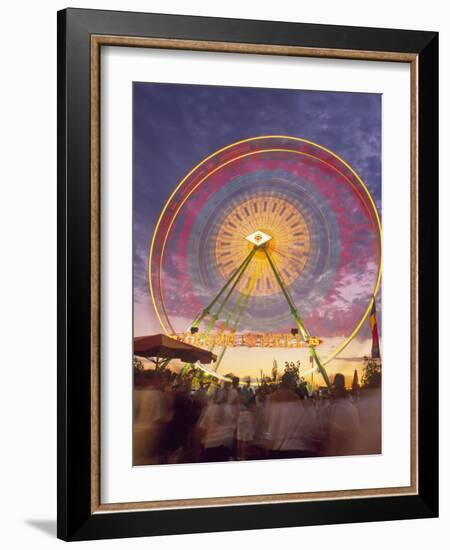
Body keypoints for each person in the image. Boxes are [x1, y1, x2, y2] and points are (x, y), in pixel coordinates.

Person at [133, 371, 172, 465]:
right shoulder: (157, 395)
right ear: (155, 380)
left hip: (138, 429)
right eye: (163, 379)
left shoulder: (142, 392)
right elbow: (160, 418)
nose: (164, 382)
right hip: (150, 432)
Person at [325, 373, 361, 456]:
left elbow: (331, 430)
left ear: (337, 391)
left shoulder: (335, 408)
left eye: (335, 389)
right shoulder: (352, 407)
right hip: (353, 448)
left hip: (340, 449)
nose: (333, 391)